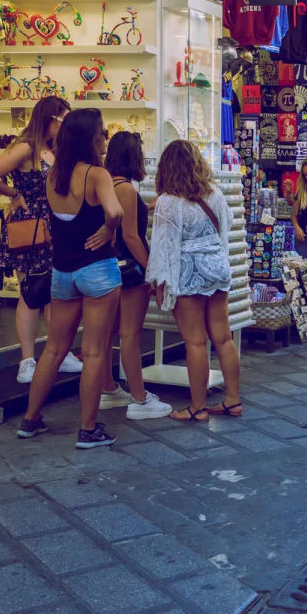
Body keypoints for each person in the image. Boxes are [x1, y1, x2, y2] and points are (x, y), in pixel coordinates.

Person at [17, 109, 123, 448]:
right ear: (90, 138)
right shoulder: (97, 174)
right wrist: (109, 229)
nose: (105, 138)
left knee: (52, 350)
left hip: (61, 273)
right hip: (97, 271)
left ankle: (30, 420)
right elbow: (116, 211)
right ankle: (88, 429)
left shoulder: (53, 175)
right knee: (92, 352)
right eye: (102, 133)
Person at [0, 96, 83, 383]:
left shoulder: (52, 149)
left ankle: (57, 353)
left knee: (54, 292)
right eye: (64, 120)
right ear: (51, 119)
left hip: (53, 224)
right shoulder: (26, 147)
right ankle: (27, 360)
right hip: (31, 225)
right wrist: (15, 195)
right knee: (31, 291)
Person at [146, 140, 241, 421]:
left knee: (195, 342)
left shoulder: (168, 202)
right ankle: (233, 400)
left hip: (187, 272)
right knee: (223, 338)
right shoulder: (214, 192)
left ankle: (198, 408)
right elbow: (230, 223)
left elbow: (163, 246)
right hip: (216, 267)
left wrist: (160, 283)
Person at [101, 132, 172, 420]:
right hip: (130, 270)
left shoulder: (106, 185)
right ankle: (139, 398)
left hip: (108, 267)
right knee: (130, 334)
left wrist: (147, 206)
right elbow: (131, 236)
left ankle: (108, 388)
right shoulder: (127, 190)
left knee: (108, 333)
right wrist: (150, 271)